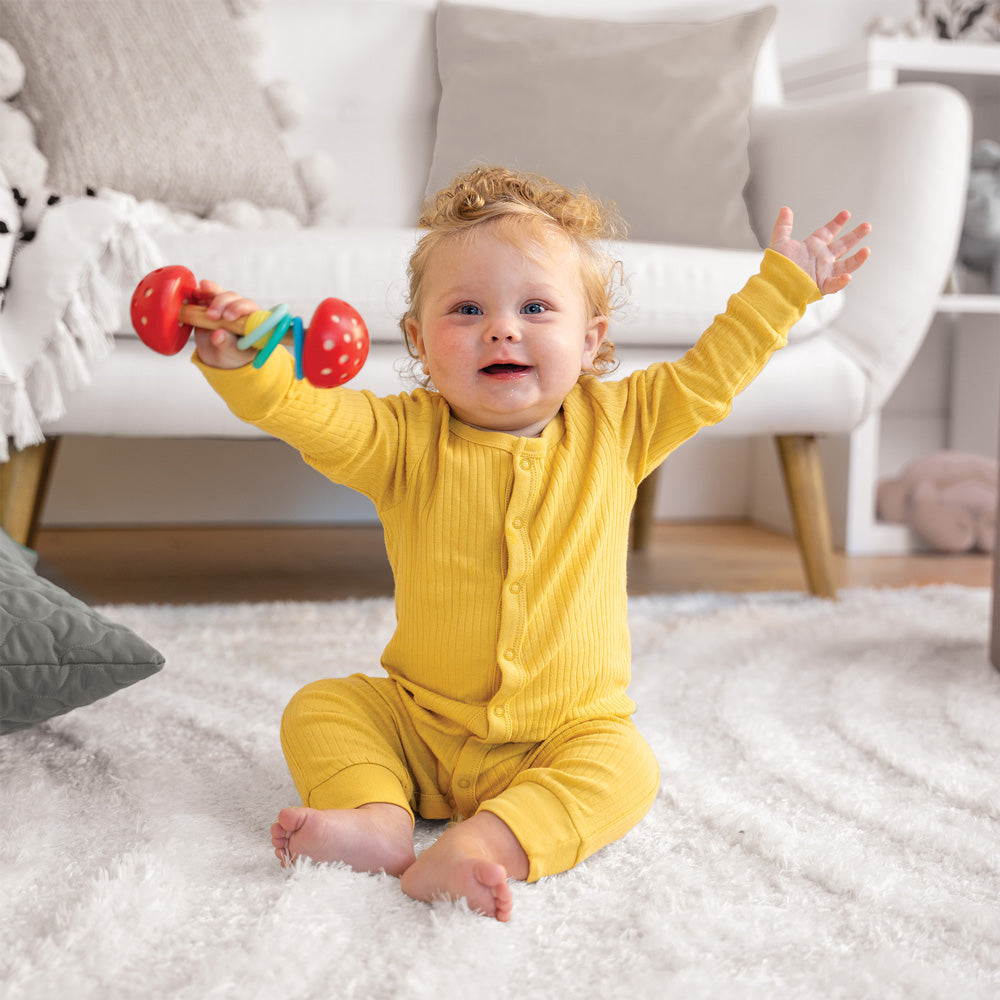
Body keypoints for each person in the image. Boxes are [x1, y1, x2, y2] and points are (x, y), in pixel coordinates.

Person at [191, 166, 870, 922]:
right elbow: (309, 414)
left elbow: (713, 374)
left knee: (627, 769)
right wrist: (248, 368)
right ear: (419, 340)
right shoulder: (402, 439)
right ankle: (378, 820)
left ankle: (486, 844)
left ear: (590, 341)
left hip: (564, 733)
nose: (502, 328)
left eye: (536, 307)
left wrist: (783, 288)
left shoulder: (622, 426)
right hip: (423, 725)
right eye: (467, 309)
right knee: (323, 706)